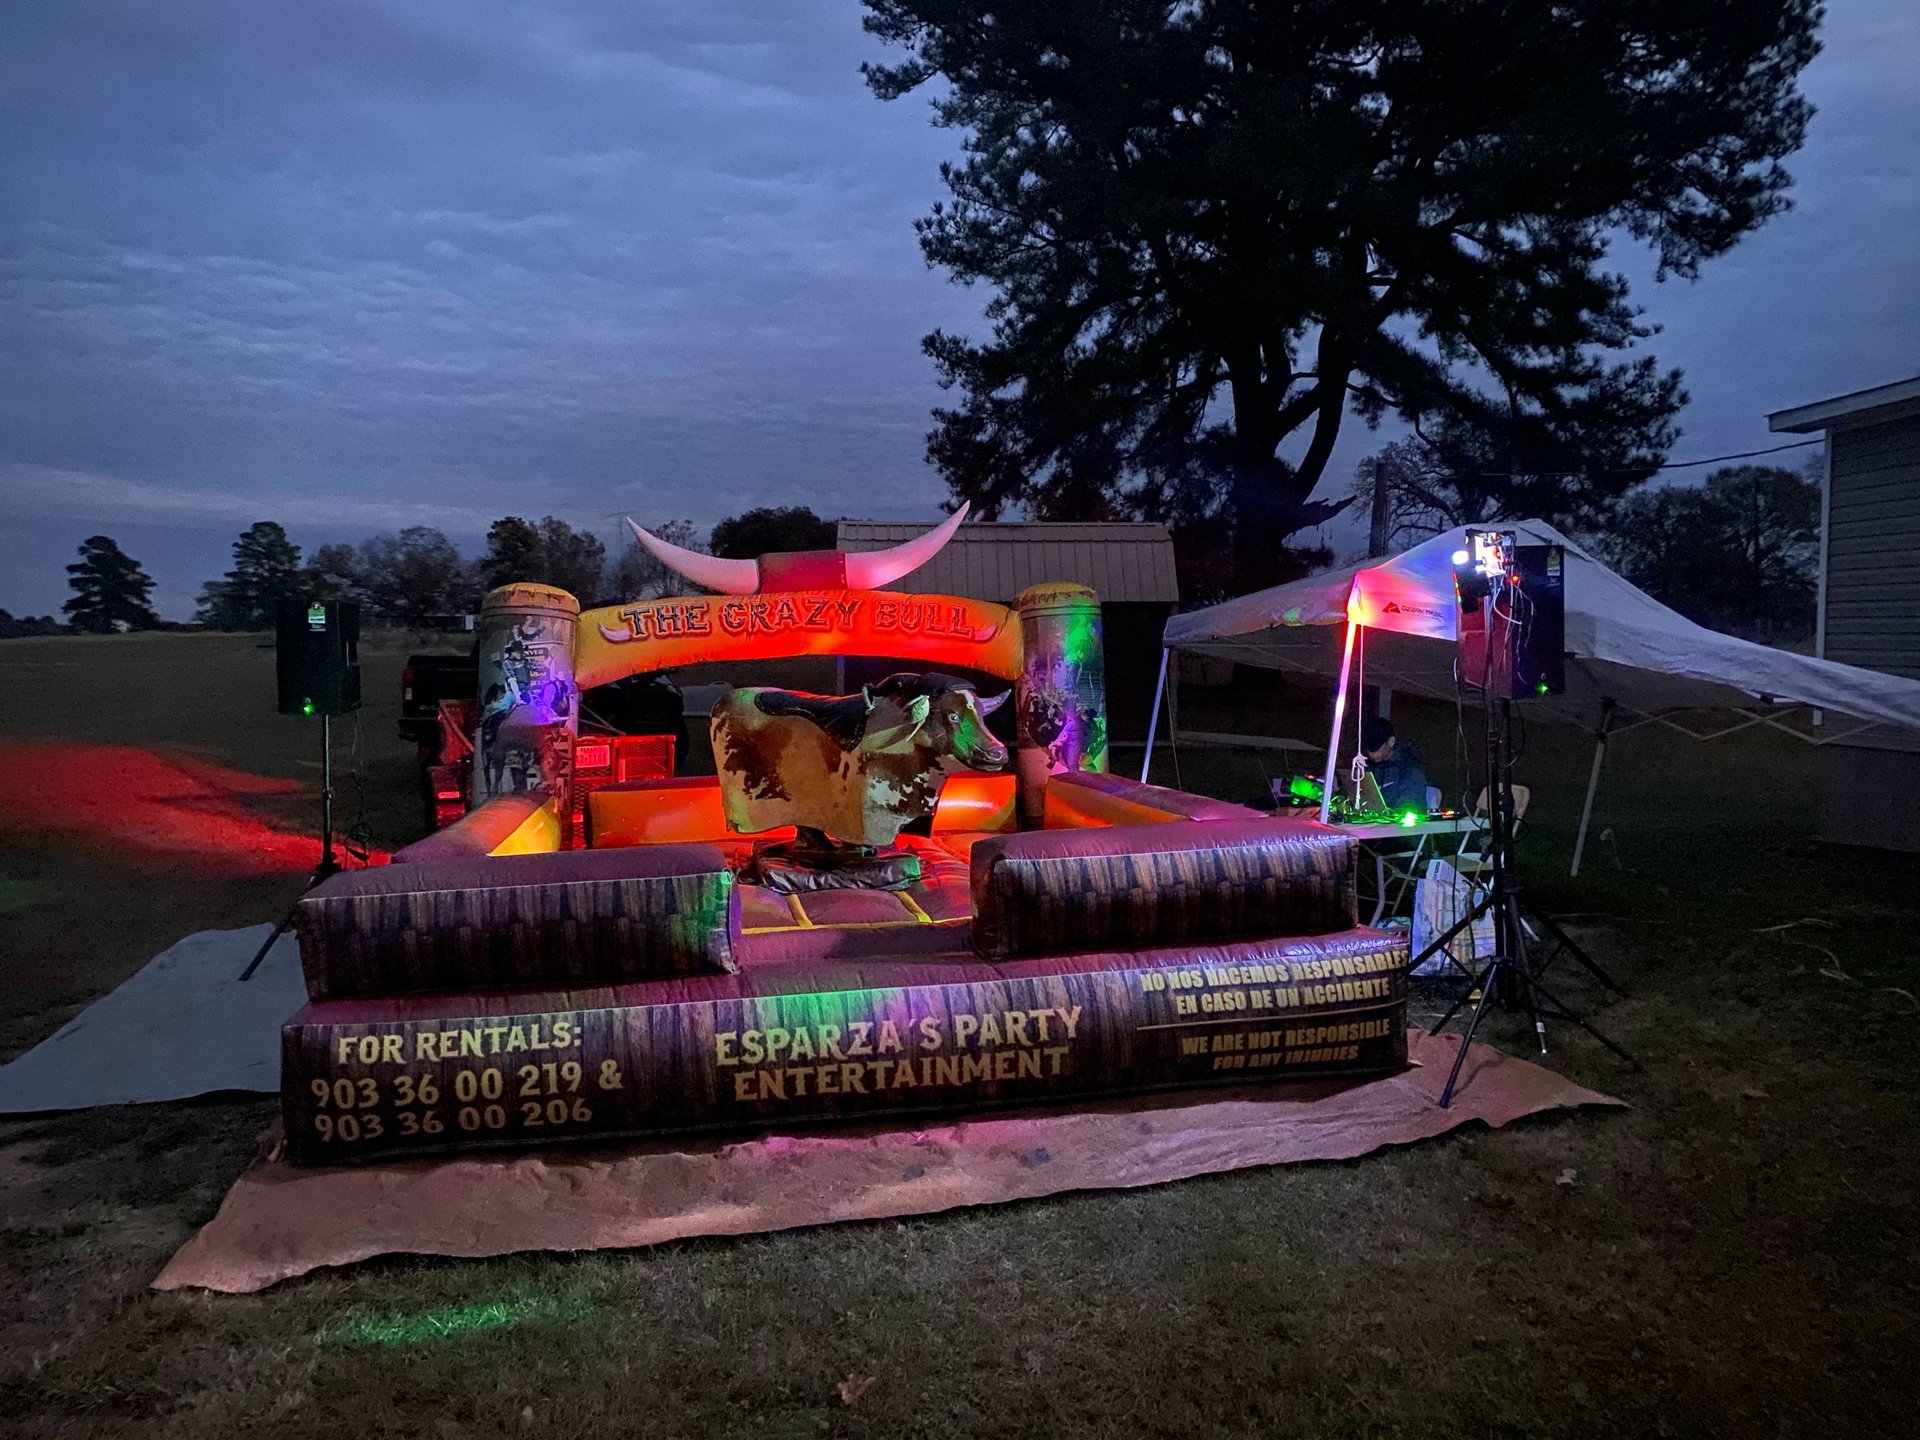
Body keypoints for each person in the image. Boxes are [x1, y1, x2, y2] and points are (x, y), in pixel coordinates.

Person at [1360, 715, 1429, 814]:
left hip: (1400, 826)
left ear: (1391, 742)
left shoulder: (1410, 769)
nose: (1371, 754)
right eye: (1368, 750)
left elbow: (1413, 804)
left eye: (1375, 748)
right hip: (1377, 823)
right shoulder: (1369, 767)